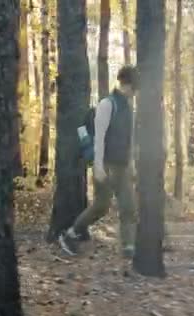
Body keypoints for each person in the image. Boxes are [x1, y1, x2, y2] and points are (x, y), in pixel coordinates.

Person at [59, 66, 138, 258]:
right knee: (101, 206)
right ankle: (70, 234)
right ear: (126, 83)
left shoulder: (128, 107)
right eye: (134, 87)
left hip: (122, 164)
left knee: (128, 206)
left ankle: (129, 247)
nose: (135, 92)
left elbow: (129, 139)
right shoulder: (107, 104)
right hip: (106, 164)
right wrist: (98, 166)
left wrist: (131, 163)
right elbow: (99, 137)